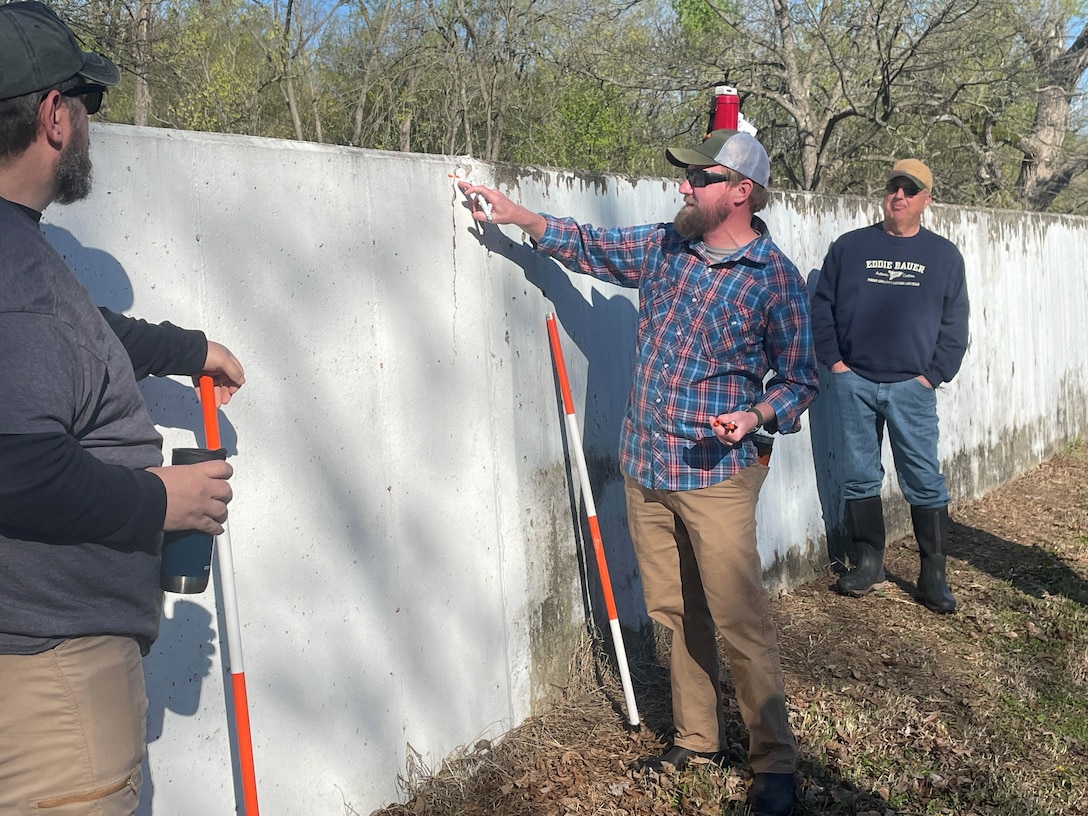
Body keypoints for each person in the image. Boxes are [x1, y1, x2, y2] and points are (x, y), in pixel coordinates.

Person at [459, 128, 817, 816]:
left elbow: (800, 377)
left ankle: (775, 765)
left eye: (699, 179)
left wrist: (755, 415)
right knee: (675, 612)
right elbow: (590, 247)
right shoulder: (665, 247)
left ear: (740, 192)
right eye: (684, 178)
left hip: (716, 475)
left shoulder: (775, 281)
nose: (683, 187)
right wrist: (522, 218)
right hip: (647, 464)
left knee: (738, 619)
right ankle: (697, 737)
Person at [0, 3, 245, 813]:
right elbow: (17, 465)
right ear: (51, 116)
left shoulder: (20, 263)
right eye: (86, 103)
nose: (89, 123)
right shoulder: (17, 283)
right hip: (50, 688)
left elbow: (71, 339)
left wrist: (187, 349)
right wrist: (161, 498)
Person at [811, 159, 969, 614]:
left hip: (911, 387)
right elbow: (822, 308)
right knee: (859, 474)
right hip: (853, 380)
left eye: (909, 190)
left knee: (923, 479)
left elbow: (955, 325)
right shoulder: (851, 247)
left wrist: (931, 376)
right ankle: (869, 563)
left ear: (925, 200)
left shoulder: (943, 257)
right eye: (893, 187)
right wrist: (836, 364)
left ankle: (932, 574)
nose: (898, 196)